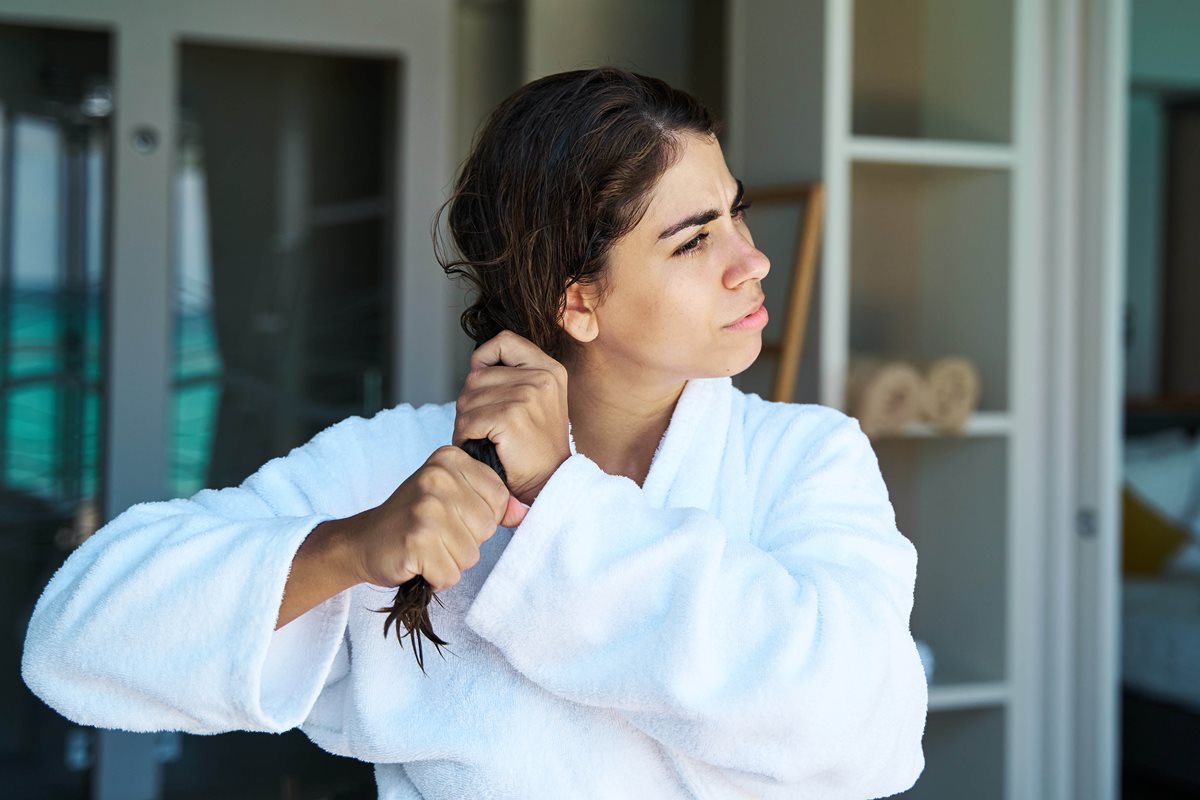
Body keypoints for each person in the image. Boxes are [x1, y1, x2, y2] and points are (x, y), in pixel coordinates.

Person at [21, 67, 927, 799]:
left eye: (737, 213)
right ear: (579, 299)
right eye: (696, 240)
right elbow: (75, 639)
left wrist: (559, 505)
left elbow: (870, 735)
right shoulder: (399, 468)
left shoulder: (805, 458)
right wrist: (352, 545)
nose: (751, 259)